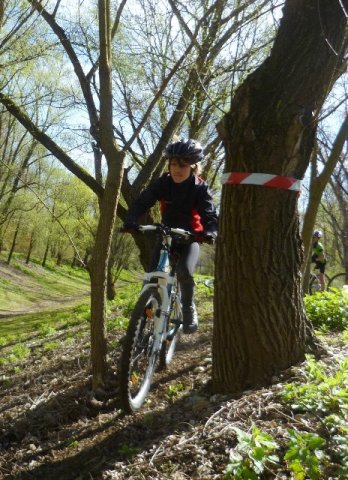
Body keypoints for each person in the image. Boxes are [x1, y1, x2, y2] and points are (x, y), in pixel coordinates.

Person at [123, 138, 218, 334]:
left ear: (193, 166)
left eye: (182, 165)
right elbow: (143, 202)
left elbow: (209, 214)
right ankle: (139, 327)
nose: (177, 169)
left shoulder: (199, 188)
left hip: (190, 238)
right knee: (151, 277)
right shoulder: (164, 183)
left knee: (184, 270)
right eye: (173, 164)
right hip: (166, 234)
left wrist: (210, 232)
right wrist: (131, 220)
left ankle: (188, 308)